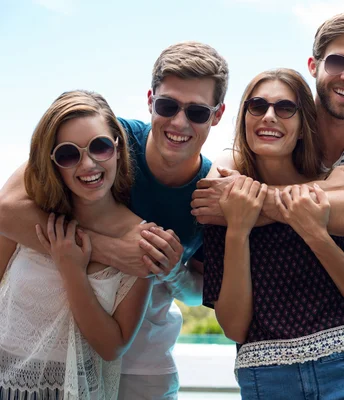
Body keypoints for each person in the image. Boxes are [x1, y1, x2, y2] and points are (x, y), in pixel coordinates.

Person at [192, 13, 344, 399]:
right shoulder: (302, 178)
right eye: (336, 61)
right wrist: (314, 194)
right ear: (314, 66)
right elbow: (233, 324)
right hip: (265, 375)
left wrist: (296, 215)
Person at [0, 41, 229, 399]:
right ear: (151, 100)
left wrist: (171, 269)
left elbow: (201, 291)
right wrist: (105, 250)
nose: (179, 122)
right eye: (168, 105)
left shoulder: (213, 194)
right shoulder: (100, 139)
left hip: (143, 362)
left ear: (217, 114)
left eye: (198, 112)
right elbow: (6, 209)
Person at [202, 68, 344, 399]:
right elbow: (234, 327)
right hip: (265, 379)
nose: (269, 116)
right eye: (257, 106)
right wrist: (238, 231)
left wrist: (315, 233)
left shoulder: (342, 189)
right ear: (244, 118)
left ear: (303, 126)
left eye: (285, 108)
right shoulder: (224, 203)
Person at [0, 90, 153, 399]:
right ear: (54, 162)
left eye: (100, 147)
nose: (88, 165)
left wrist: (72, 270)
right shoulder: (23, 219)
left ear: (118, 148)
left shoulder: (142, 242)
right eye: (70, 154)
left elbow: (112, 346)